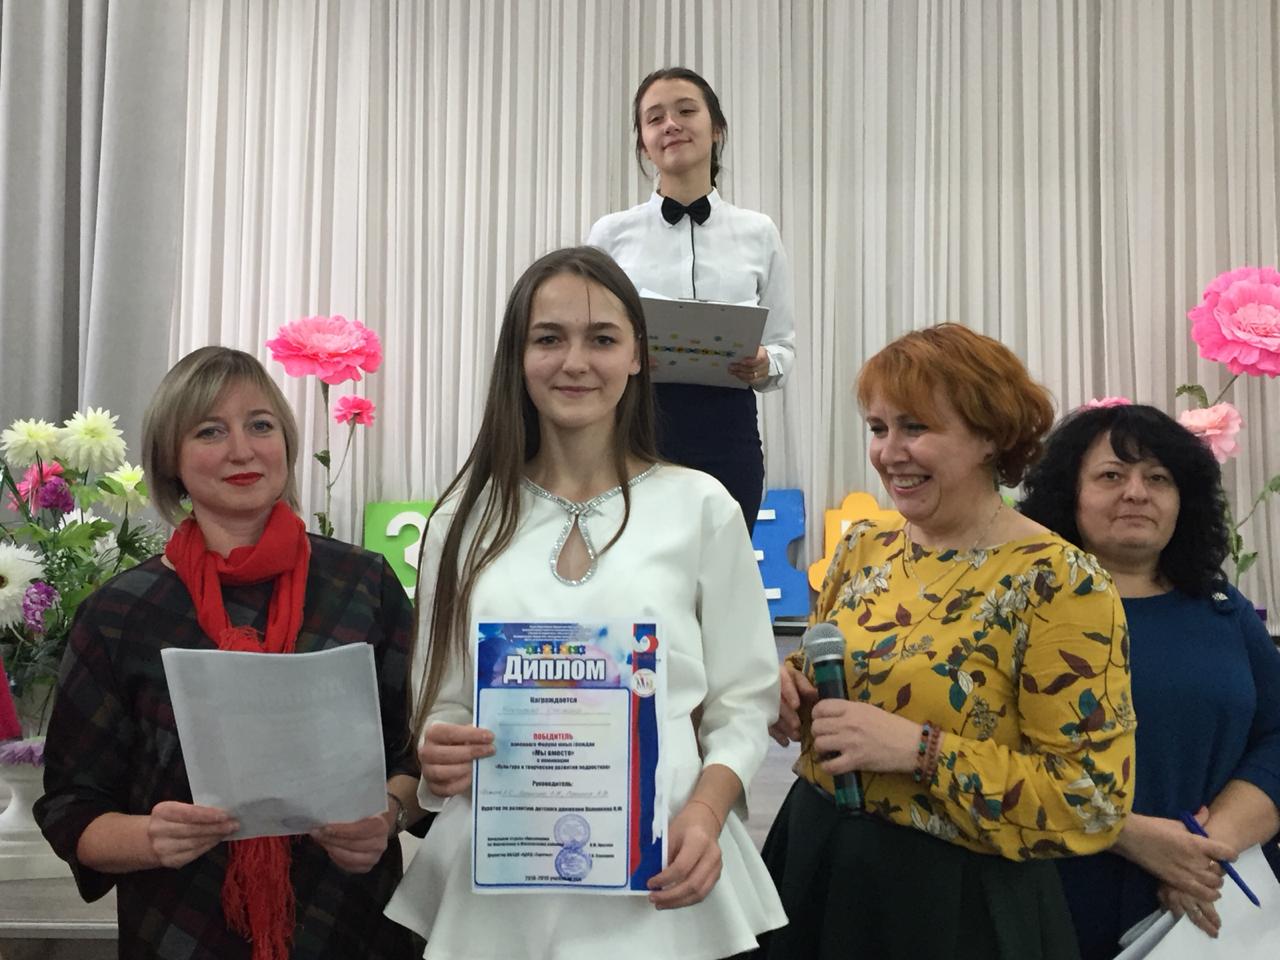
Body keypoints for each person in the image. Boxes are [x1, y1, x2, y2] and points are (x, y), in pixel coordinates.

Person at [383, 246, 787, 959]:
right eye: (549, 338)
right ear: (518, 357)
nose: (575, 362)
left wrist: (706, 810)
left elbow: (744, 700)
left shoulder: (700, 506)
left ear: (637, 356)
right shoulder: (462, 520)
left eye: (602, 338)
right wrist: (439, 751)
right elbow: (442, 702)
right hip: (501, 879)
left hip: (663, 869)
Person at [757, 324, 1136, 960]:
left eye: (916, 427)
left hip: (953, 902)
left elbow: (1090, 799)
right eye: (879, 428)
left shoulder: (1058, 580)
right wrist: (789, 687)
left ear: (990, 436)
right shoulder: (863, 548)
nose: (889, 452)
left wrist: (920, 750)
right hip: (817, 862)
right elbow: (827, 665)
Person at [35, 347, 424, 960]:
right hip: (181, 932)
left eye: (260, 425)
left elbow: (416, 752)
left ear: (286, 443)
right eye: (210, 431)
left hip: (352, 927)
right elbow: (70, 807)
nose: (242, 450)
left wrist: (389, 815)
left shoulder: (364, 584)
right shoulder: (119, 614)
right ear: (171, 459)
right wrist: (150, 838)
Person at [1020, 402, 1280, 957]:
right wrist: (1132, 836)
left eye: (1158, 478)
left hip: (1209, 908)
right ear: (1070, 494)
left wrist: (1207, 850)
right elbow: (991, 755)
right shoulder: (1027, 609)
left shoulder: (1221, 608)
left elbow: (1277, 736)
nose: (1137, 493)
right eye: (1111, 476)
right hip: (1060, 896)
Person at [586, 66, 796, 531]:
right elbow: (588, 337)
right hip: (635, 429)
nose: (671, 125)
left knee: (724, 560)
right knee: (636, 560)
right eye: (654, 118)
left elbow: (783, 346)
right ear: (644, 143)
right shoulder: (610, 234)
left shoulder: (758, 232)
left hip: (729, 432)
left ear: (716, 128)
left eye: (685, 111)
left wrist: (765, 363)